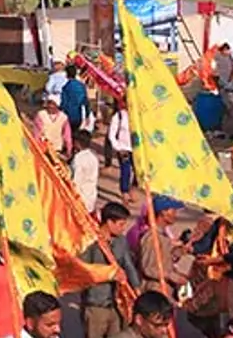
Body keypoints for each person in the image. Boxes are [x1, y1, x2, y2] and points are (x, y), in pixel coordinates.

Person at [81, 202, 141, 338]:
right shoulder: (90, 241)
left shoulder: (121, 241)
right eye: (121, 224)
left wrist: (136, 288)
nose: (123, 229)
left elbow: (128, 265)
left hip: (116, 303)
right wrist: (108, 274)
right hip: (96, 303)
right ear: (109, 222)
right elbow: (84, 269)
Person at [138, 196, 190, 297]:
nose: (175, 214)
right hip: (155, 290)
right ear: (163, 212)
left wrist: (179, 252)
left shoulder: (163, 236)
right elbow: (148, 268)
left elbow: (164, 259)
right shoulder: (152, 237)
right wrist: (172, 277)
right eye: (173, 210)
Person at [71, 129, 101, 214]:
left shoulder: (78, 159)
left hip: (80, 196)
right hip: (91, 194)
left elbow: (76, 180)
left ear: (77, 142)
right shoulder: (93, 156)